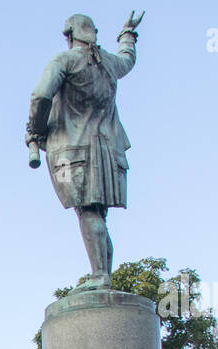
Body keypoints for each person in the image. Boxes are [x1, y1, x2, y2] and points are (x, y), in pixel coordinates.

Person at [25, 12, 144, 287]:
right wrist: (127, 35)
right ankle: (103, 275)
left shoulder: (64, 60)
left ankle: (101, 276)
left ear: (68, 35)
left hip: (73, 153)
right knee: (98, 215)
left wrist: (36, 130)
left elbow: (41, 95)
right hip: (108, 151)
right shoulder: (109, 64)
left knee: (88, 212)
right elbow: (128, 60)